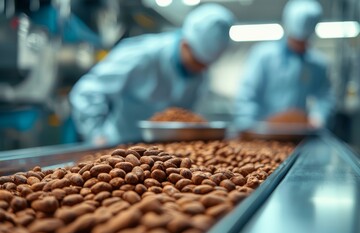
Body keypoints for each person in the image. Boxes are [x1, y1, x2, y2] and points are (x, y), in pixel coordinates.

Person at [69, 4, 235, 145]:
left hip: (167, 157)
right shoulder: (141, 55)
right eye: (196, 62)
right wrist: (96, 135)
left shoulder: (201, 74)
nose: (199, 70)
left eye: (205, 65)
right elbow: (87, 91)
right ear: (185, 44)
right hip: (119, 148)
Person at [234, 0, 334, 132]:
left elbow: (325, 96)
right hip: (264, 132)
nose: (300, 46)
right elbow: (247, 95)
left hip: (299, 133)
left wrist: (318, 116)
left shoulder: (317, 63)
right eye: (296, 41)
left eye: (304, 42)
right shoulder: (263, 56)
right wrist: (250, 126)